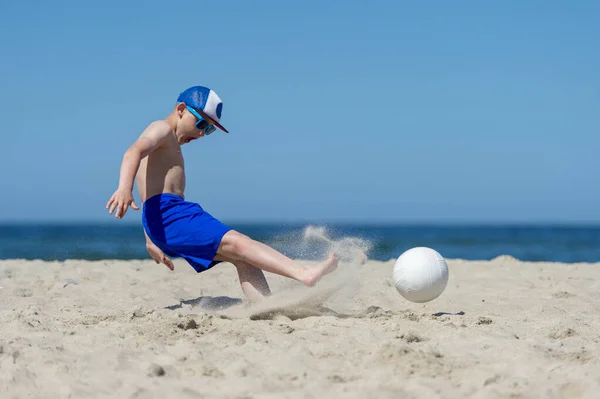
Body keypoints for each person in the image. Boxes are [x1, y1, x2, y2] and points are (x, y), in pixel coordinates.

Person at [106, 86, 338, 301]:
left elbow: (147, 192)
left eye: (209, 130)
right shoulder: (162, 129)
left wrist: (150, 238)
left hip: (165, 218)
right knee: (240, 244)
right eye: (201, 124)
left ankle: (265, 305)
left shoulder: (168, 143)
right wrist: (123, 189)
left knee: (241, 257)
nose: (201, 135)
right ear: (180, 109)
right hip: (170, 215)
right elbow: (132, 152)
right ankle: (304, 273)